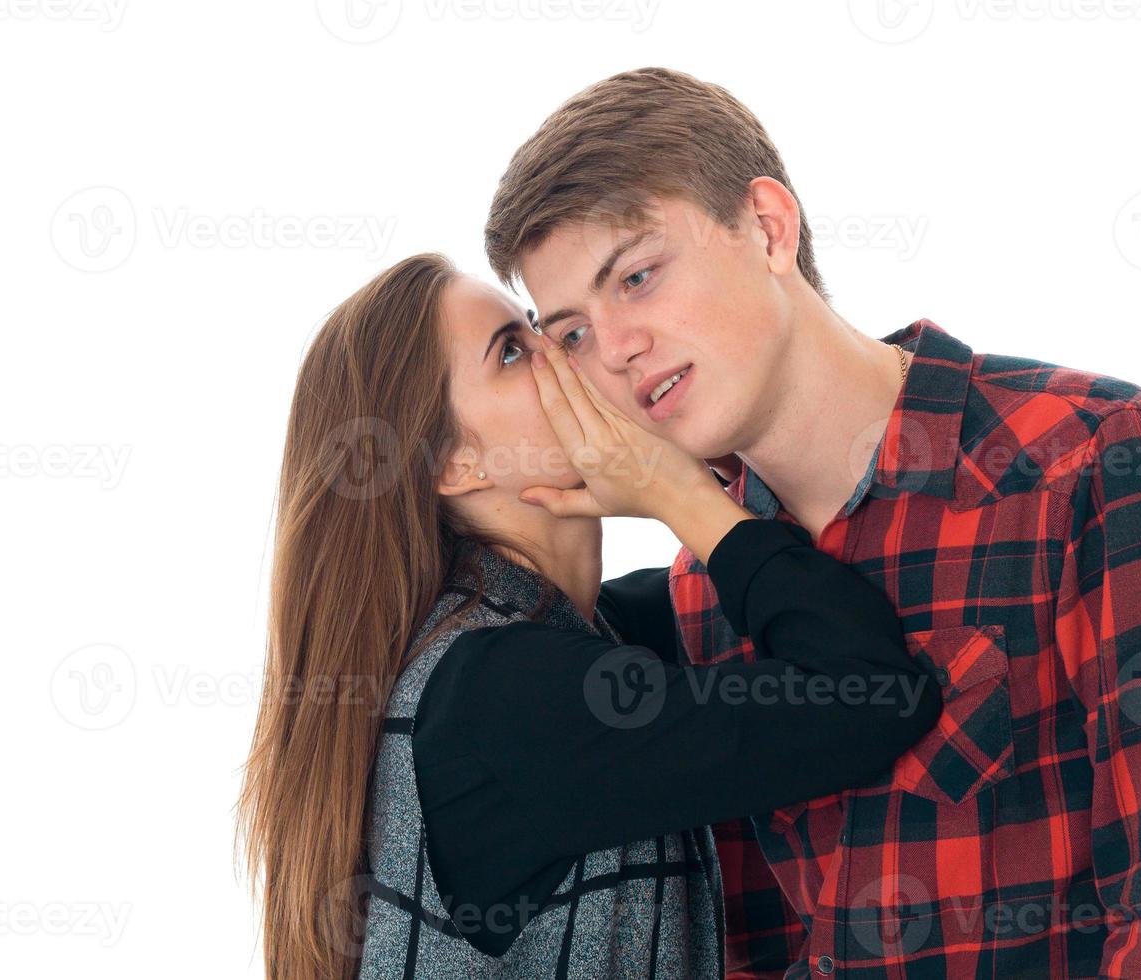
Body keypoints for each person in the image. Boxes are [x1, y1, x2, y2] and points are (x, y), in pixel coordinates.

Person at [485, 66, 1141, 978]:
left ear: (770, 230)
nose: (615, 350)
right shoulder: (709, 579)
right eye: (570, 331)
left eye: (639, 276)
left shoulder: (1089, 457)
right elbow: (755, 950)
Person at [236, 252, 942, 979]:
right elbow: (875, 696)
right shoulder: (502, 697)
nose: (572, 354)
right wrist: (679, 495)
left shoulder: (573, 637)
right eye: (513, 352)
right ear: (453, 463)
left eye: (548, 330)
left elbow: (763, 589)